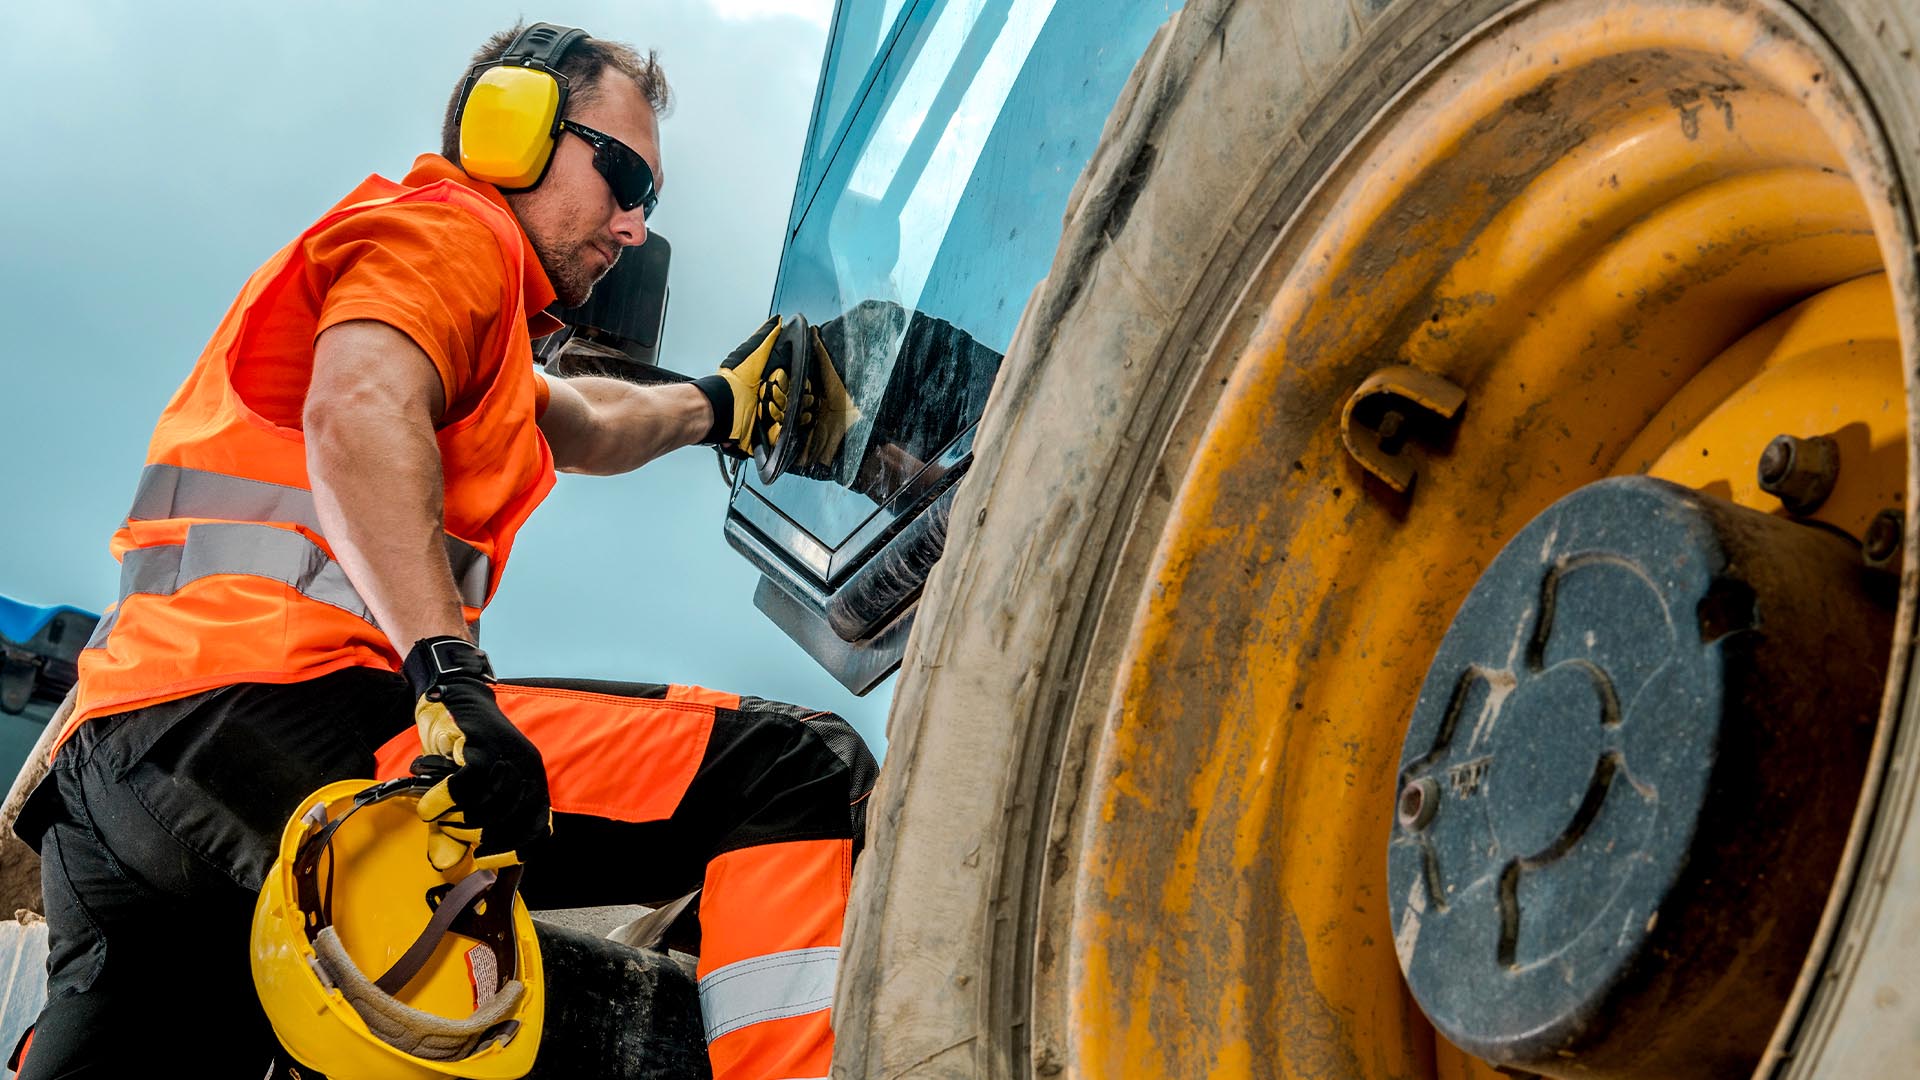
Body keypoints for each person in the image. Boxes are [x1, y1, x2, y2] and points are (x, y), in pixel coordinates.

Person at [11, 21, 874, 1080]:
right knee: (792, 771)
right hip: (284, 716)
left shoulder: (467, 311)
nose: (635, 224)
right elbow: (357, 408)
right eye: (622, 176)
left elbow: (589, 424)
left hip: (124, 766)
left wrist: (712, 406)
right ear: (509, 131)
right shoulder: (447, 232)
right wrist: (451, 681)